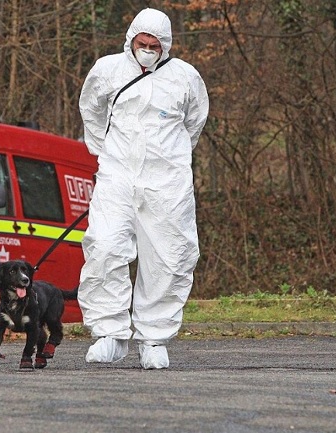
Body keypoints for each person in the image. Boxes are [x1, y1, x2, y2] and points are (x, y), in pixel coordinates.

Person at [77, 7, 209, 369]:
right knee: (104, 246)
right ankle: (109, 333)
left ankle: (154, 338)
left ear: (165, 46)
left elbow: (195, 122)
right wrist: (106, 154)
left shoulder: (185, 77)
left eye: (154, 45)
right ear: (130, 39)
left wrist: (170, 159)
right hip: (117, 175)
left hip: (166, 182)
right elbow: (91, 110)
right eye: (142, 42)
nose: (147, 49)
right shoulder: (107, 69)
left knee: (167, 256)